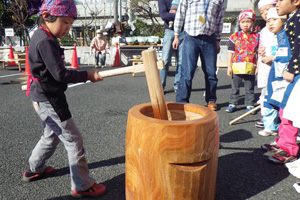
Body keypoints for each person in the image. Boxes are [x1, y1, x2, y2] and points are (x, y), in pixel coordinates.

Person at [23, 0, 106, 198]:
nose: (67, 29)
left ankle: (35, 168)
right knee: (74, 140)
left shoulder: (42, 35)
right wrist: (88, 75)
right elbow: (61, 75)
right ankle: (82, 184)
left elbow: (52, 69)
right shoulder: (45, 40)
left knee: (51, 135)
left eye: (70, 24)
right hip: (50, 99)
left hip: (41, 97)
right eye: (65, 23)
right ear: (46, 17)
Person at [261, 0, 300, 165]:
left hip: (293, 74)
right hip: (286, 75)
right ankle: (283, 142)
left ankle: (288, 148)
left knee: (289, 112)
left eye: (281, 0)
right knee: (284, 110)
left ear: (296, 2)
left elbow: (298, 47)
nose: (276, 4)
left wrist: (292, 68)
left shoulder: (297, 20)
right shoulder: (292, 18)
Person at [172, 0, 225, 110]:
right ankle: (182, 101)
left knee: (211, 72)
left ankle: (211, 100)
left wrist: (217, 40)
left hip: (210, 38)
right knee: (187, 72)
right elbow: (180, 13)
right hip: (191, 37)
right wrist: (176, 35)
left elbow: (220, 18)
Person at [257, 8, 286, 136]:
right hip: (272, 74)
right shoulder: (268, 35)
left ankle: (286, 131)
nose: (270, 23)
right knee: (269, 99)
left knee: (283, 102)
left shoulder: (286, 36)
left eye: (274, 19)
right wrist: (263, 54)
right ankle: (270, 126)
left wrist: (272, 58)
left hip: (284, 76)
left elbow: (285, 56)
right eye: (268, 20)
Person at [225, 10, 259, 114]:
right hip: (237, 67)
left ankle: (250, 104)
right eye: (243, 21)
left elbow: (259, 54)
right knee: (235, 87)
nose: (245, 24)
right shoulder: (234, 36)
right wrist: (229, 67)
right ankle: (233, 103)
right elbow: (230, 53)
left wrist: (258, 66)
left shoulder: (257, 37)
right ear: (239, 22)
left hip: (250, 67)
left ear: (253, 22)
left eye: (248, 21)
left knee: (250, 88)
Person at [255, 0, 277, 129]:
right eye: (262, 12)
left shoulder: (283, 27)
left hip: (277, 65)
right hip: (266, 66)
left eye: (267, 9)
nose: (265, 13)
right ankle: (266, 117)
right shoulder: (263, 31)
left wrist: (273, 57)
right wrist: (261, 51)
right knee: (265, 92)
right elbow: (262, 46)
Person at [158, 0, 184, 93]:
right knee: (164, 61)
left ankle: (177, 85)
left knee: (181, 61)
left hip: (183, 31)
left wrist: (173, 14)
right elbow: (163, 15)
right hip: (169, 31)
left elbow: (188, 13)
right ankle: (161, 86)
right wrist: (180, 15)